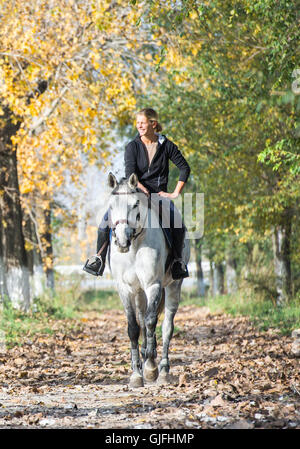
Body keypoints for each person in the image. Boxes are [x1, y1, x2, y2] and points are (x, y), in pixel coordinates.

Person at [83, 108, 191, 279]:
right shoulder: (132, 146)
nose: (139, 126)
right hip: (134, 194)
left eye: (142, 122)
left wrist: (175, 193)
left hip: (158, 195)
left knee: (178, 224)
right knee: (105, 221)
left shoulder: (167, 146)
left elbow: (185, 168)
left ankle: (177, 262)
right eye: (137, 123)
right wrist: (141, 187)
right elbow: (130, 171)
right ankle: (99, 258)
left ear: (153, 124)